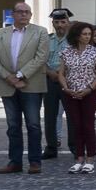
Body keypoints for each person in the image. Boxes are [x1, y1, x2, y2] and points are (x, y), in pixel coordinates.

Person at [0, 3, 50, 175]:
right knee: (13, 125)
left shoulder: (40, 32)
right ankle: (14, 162)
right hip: (6, 84)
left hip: (31, 84)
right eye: (20, 12)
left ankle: (35, 161)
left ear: (31, 15)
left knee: (33, 124)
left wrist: (20, 75)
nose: (24, 15)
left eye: (27, 12)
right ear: (13, 14)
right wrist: (9, 77)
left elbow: (41, 57)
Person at [58, 21, 96, 174]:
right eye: (84, 34)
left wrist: (89, 88)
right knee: (76, 125)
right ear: (76, 35)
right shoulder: (66, 52)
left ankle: (90, 158)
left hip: (89, 92)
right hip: (71, 93)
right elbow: (61, 73)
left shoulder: (95, 52)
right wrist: (66, 88)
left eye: (89, 34)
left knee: (88, 125)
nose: (87, 36)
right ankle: (79, 157)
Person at [41, 9, 71, 159]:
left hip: (69, 80)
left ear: (68, 23)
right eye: (57, 22)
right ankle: (51, 147)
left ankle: (74, 146)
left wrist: (60, 73)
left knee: (72, 115)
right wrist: (49, 72)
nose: (60, 25)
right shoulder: (46, 39)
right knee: (50, 115)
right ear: (52, 23)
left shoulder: (73, 40)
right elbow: (40, 59)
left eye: (63, 22)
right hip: (50, 80)